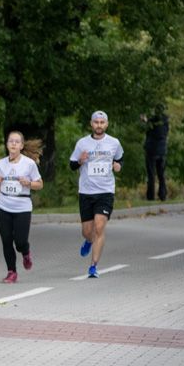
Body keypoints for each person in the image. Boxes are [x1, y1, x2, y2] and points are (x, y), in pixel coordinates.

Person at [69, 110, 123, 278]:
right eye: (96, 122)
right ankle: (88, 240)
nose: (99, 125)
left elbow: (119, 159)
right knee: (87, 231)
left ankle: (93, 266)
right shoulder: (82, 143)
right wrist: (80, 161)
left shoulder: (114, 143)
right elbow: (72, 165)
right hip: (86, 191)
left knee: (99, 227)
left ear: (106, 124)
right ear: (91, 124)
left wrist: (118, 166)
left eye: (102, 122)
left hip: (105, 191)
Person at [0, 131, 44, 283]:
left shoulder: (29, 164)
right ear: (7, 145)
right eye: (10, 141)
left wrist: (29, 183)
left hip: (22, 207)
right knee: (6, 240)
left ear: (21, 145)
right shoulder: (0, 164)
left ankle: (25, 253)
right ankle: (11, 271)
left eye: (16, 141)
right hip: (3, 205)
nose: (13, 144)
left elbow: (40, 184)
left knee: (20, 241)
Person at [140, 104, 169, 201]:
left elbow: (146, 128)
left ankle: (151, 196)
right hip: (162, 150)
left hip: (151, 150)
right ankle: (162, 195)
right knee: (161, 174)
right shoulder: (165, 121)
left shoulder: (152, 121)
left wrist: (144, 120)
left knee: (151, 174)